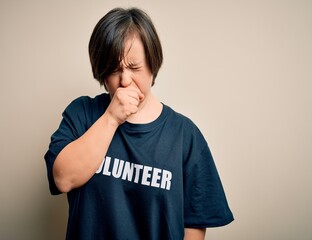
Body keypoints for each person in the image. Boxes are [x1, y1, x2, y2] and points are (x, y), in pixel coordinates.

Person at [44, 7, 234, 240]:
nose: (124, 81)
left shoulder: (185, 135)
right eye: (114, 70)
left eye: (134, 68)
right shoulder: (82, 113)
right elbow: (63, 178)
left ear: (153, 65)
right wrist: (111, 118)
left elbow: (194, 226)